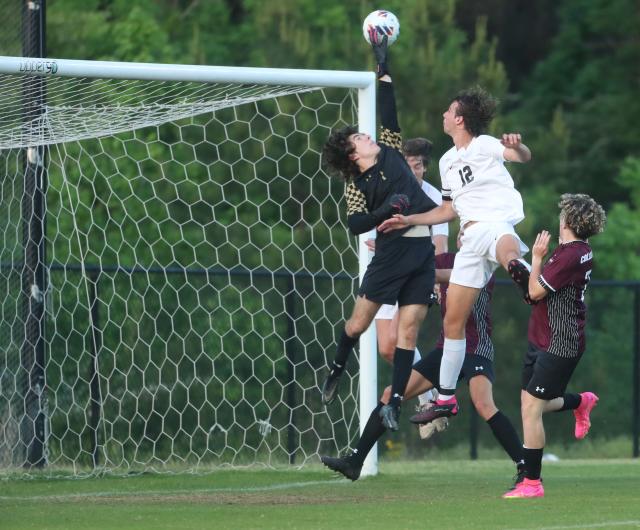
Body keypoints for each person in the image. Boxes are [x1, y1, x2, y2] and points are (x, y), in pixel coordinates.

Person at [378, 86, 532, 424]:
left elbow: (522, 157)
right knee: (452, 324)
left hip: (492, 222)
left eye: (449, 111)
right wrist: (410, 219)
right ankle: (446, 398)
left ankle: (522, 270)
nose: (444, 115)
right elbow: (447, 210)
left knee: (504, 240)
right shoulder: (448, 161)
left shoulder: (485, 144)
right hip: (469, 242)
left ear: (460, 119)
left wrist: (516, 145)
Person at [321, 241, 525, 485]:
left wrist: (416, 267)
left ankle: (526, 467)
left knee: (483, 403)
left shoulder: (484, 265)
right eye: (462, 230)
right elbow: (421, 270)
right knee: (390, 394)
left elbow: (440, 274)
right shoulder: (445, 260)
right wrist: (396, 251)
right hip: (445, 349)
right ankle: (354, 462)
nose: (464, 235)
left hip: (475, 348)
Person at [320, 29, 438, 431]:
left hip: (421, 251)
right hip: (389, 256)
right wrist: (385, 210)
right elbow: (355, 225)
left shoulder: (390, 148)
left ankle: (395, 406)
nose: (367, 135)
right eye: (359, 137)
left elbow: (389, 109)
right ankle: (336, 367)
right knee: (358, 325)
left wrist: (382, 63)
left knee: (409, 332)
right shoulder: (357, 186)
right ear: (354, 155)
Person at [504, 193, 606, 499]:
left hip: (560, 343)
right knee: (530, 406)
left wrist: (535, 258)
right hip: (542, 337)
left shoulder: (570, 255)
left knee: (532, 409)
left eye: (563, 215)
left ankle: (532, 484)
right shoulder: (576, 250)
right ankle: (579, 402)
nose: (559, 219)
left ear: (569, 222)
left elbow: (535, 292)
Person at [368, 137, 449, 434]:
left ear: (424, 169)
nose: (412, 171)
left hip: (416, 275)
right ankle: (430, 397)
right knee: (387, 348)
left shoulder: (434, 198)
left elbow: (440, 243)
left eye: (417, 166)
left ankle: (427, 401)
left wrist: (436, 277)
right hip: (384, 273)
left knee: (398, 338)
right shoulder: (387, 192)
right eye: (407, 164)